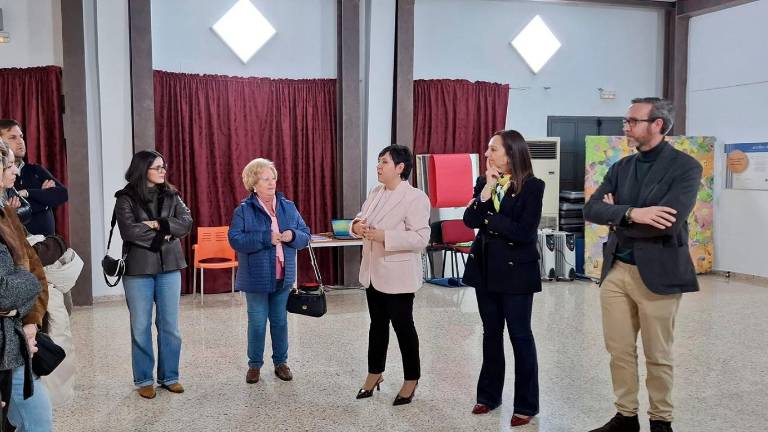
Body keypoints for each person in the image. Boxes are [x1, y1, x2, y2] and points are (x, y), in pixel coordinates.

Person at [584, 98, 702, 432]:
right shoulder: (622, 167)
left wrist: (617, 213)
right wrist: (634, 212)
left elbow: (667, 222)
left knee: (657, 354)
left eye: (633, 121)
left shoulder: (686, 167)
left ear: (658, 125)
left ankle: (661, 421)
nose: (626, 127)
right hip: (616, 272)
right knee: (619, 351)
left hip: (660, 275)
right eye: (626, 121)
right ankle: (626, 416)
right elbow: (592, 209)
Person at [461, 130, 545, 428]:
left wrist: (488, 218)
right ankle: (489, 395)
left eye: (492, 149)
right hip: (485, 269)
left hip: (516, 273)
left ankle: (526, 404)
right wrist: (485, 194)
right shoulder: (485, 182)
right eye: (487, 149)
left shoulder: (533, 187)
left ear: (511, 154)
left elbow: (524, 232)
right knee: (490, 334)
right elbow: (469, 220)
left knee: (520, 337)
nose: (487, 154)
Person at [351, 144, 430, 406]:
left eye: (384, 162)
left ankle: (411, 379)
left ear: (400, 168)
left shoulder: (415, 197)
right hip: (373, 272)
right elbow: (359, 219)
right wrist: (357, 226)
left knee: (403, 327)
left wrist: (385, 236)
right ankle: (375, 373)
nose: (378, 166)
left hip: (399, 275)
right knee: (377, 325)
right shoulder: (375, 191)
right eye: (378, 161)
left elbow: (421, 238)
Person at [115, 150, 193, 399]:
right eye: (157, 167)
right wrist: (166, 232)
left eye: (163, 167)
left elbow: (186, 222)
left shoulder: (172, 194)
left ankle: (170, 377)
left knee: (170, 326)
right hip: (138, 270)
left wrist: (158, 224)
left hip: (170, 266)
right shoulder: (125, 198)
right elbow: (130, 231)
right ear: (142, 169)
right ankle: (144, 379)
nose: (163, 171)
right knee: (140, 326)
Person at [228, 158, 310, 384]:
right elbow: (235, 240)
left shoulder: (288, 206)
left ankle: (281, 363)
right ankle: (254, 365)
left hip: (283, 277)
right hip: (256, 278)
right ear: (254, 183)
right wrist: (266, 238)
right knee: (257, 322)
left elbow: (305, 234)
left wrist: (292, 235)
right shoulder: (243, 210)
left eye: (273, 177)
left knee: (280, 321)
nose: (272, 182)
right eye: (265, 179)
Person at [0, 139, 53, 431]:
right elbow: (5, 290)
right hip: (5, 337)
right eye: (8, 166)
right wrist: (29, 282)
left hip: (16, 336)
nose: (14, 173)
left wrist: (31, 322)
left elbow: (34, 267)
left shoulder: (7, 212)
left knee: (34, 418)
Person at [0, 120, 68, 236]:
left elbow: (62, 194)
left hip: (48, 246)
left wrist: (27, 193)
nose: (20, 141)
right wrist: (44, 198)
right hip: (22, 249)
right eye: (13, 137)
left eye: (21, 136)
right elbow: (12, 213)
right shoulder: (4, 178)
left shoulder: (35, 170)